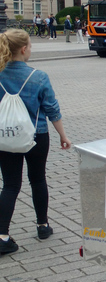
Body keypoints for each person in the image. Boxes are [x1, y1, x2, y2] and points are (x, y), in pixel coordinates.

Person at [0, 29, 71, 255]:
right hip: (36, 136)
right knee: (38, 179)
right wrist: (63, 135)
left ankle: (2, 236)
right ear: (23, 49)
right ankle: (42, 226)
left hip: (5, 136)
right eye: (30, 45)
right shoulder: (38, 77)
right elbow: (52, 109)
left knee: (10, 185)